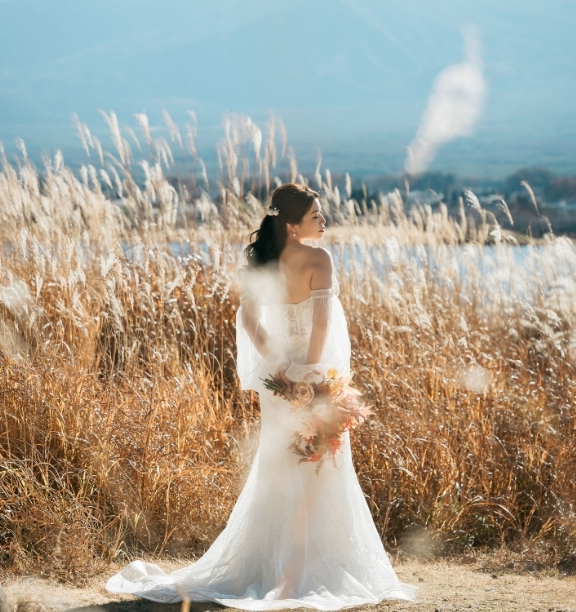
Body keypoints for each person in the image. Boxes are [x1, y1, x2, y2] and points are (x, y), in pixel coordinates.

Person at [106, 183, 417, 610]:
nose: (324, 221)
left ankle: (271, 565)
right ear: (293, 224)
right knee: (320, 467)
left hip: (280, 381)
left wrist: (283, 369)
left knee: (280, 467)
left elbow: (248, 319)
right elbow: (322, 323)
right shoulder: (319, 258)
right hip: (313, 376)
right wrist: (310, 376)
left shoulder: (265, 262)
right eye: (315, 216)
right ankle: (306, 567)